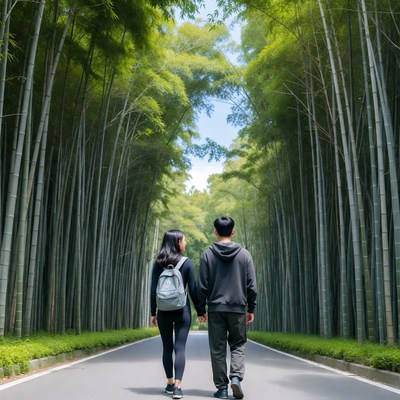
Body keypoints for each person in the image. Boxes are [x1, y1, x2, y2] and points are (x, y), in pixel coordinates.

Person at [198, 217, 257, 399]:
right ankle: (236, 378)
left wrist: (201, 310)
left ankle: (222, 388)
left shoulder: (207, 255)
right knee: (238, 344)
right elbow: (252, 286)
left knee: (217, 348)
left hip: (216, 309)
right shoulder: (245, 255)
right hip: (238, 308)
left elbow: (202, 287)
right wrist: (251, 308)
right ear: (233, 231)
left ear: (215, 232)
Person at [150, 229, 203, 399]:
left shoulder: (158, 263)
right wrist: (201, 311)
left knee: (167, 348)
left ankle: (170, 383)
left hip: (163, 312)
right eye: (184, 240)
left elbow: (153, 290)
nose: (185, 243)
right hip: (182, 311)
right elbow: (193, 291)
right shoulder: (187, 263)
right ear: (177, 242)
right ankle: (178, 387)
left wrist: (153, 312)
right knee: (180, 348)